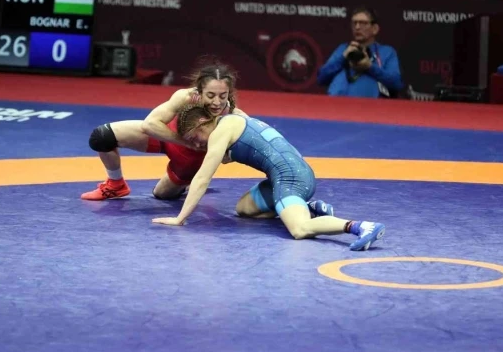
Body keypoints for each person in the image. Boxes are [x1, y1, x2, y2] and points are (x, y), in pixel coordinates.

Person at [152, 105, 386, 251]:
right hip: (290, 172)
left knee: (299, 229)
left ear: (203, 123)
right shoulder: (233, 120)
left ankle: (360, 226)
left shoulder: (219, 133)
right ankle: (309, 208)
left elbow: (202, 178)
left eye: (194, 137)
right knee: (244, 209)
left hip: (290, 179)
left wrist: (180, 218)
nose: (196, 144)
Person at [81, 60, 247, 201]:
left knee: (161, 194)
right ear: (199, 90)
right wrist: (185, 142)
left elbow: (246, 149)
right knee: (102, 137)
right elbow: (150, 125)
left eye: (223, 96)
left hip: (188, 160)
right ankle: (116, 185)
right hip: (167, 135)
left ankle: (187, 182)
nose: (217, 102)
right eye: (210, 95)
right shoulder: (185, 97)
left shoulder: (234, 116)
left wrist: (224, 154)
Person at [317, 7, 404, 98]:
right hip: (336, 104)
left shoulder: (387, 52)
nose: (357, 27)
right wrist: (342, 59)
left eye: (363, 23)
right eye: (354, 23)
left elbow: (397, 83)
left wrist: (370, 67)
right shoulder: (343, 49)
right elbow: (321, 78)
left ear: (375, 29)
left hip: (368, 105)